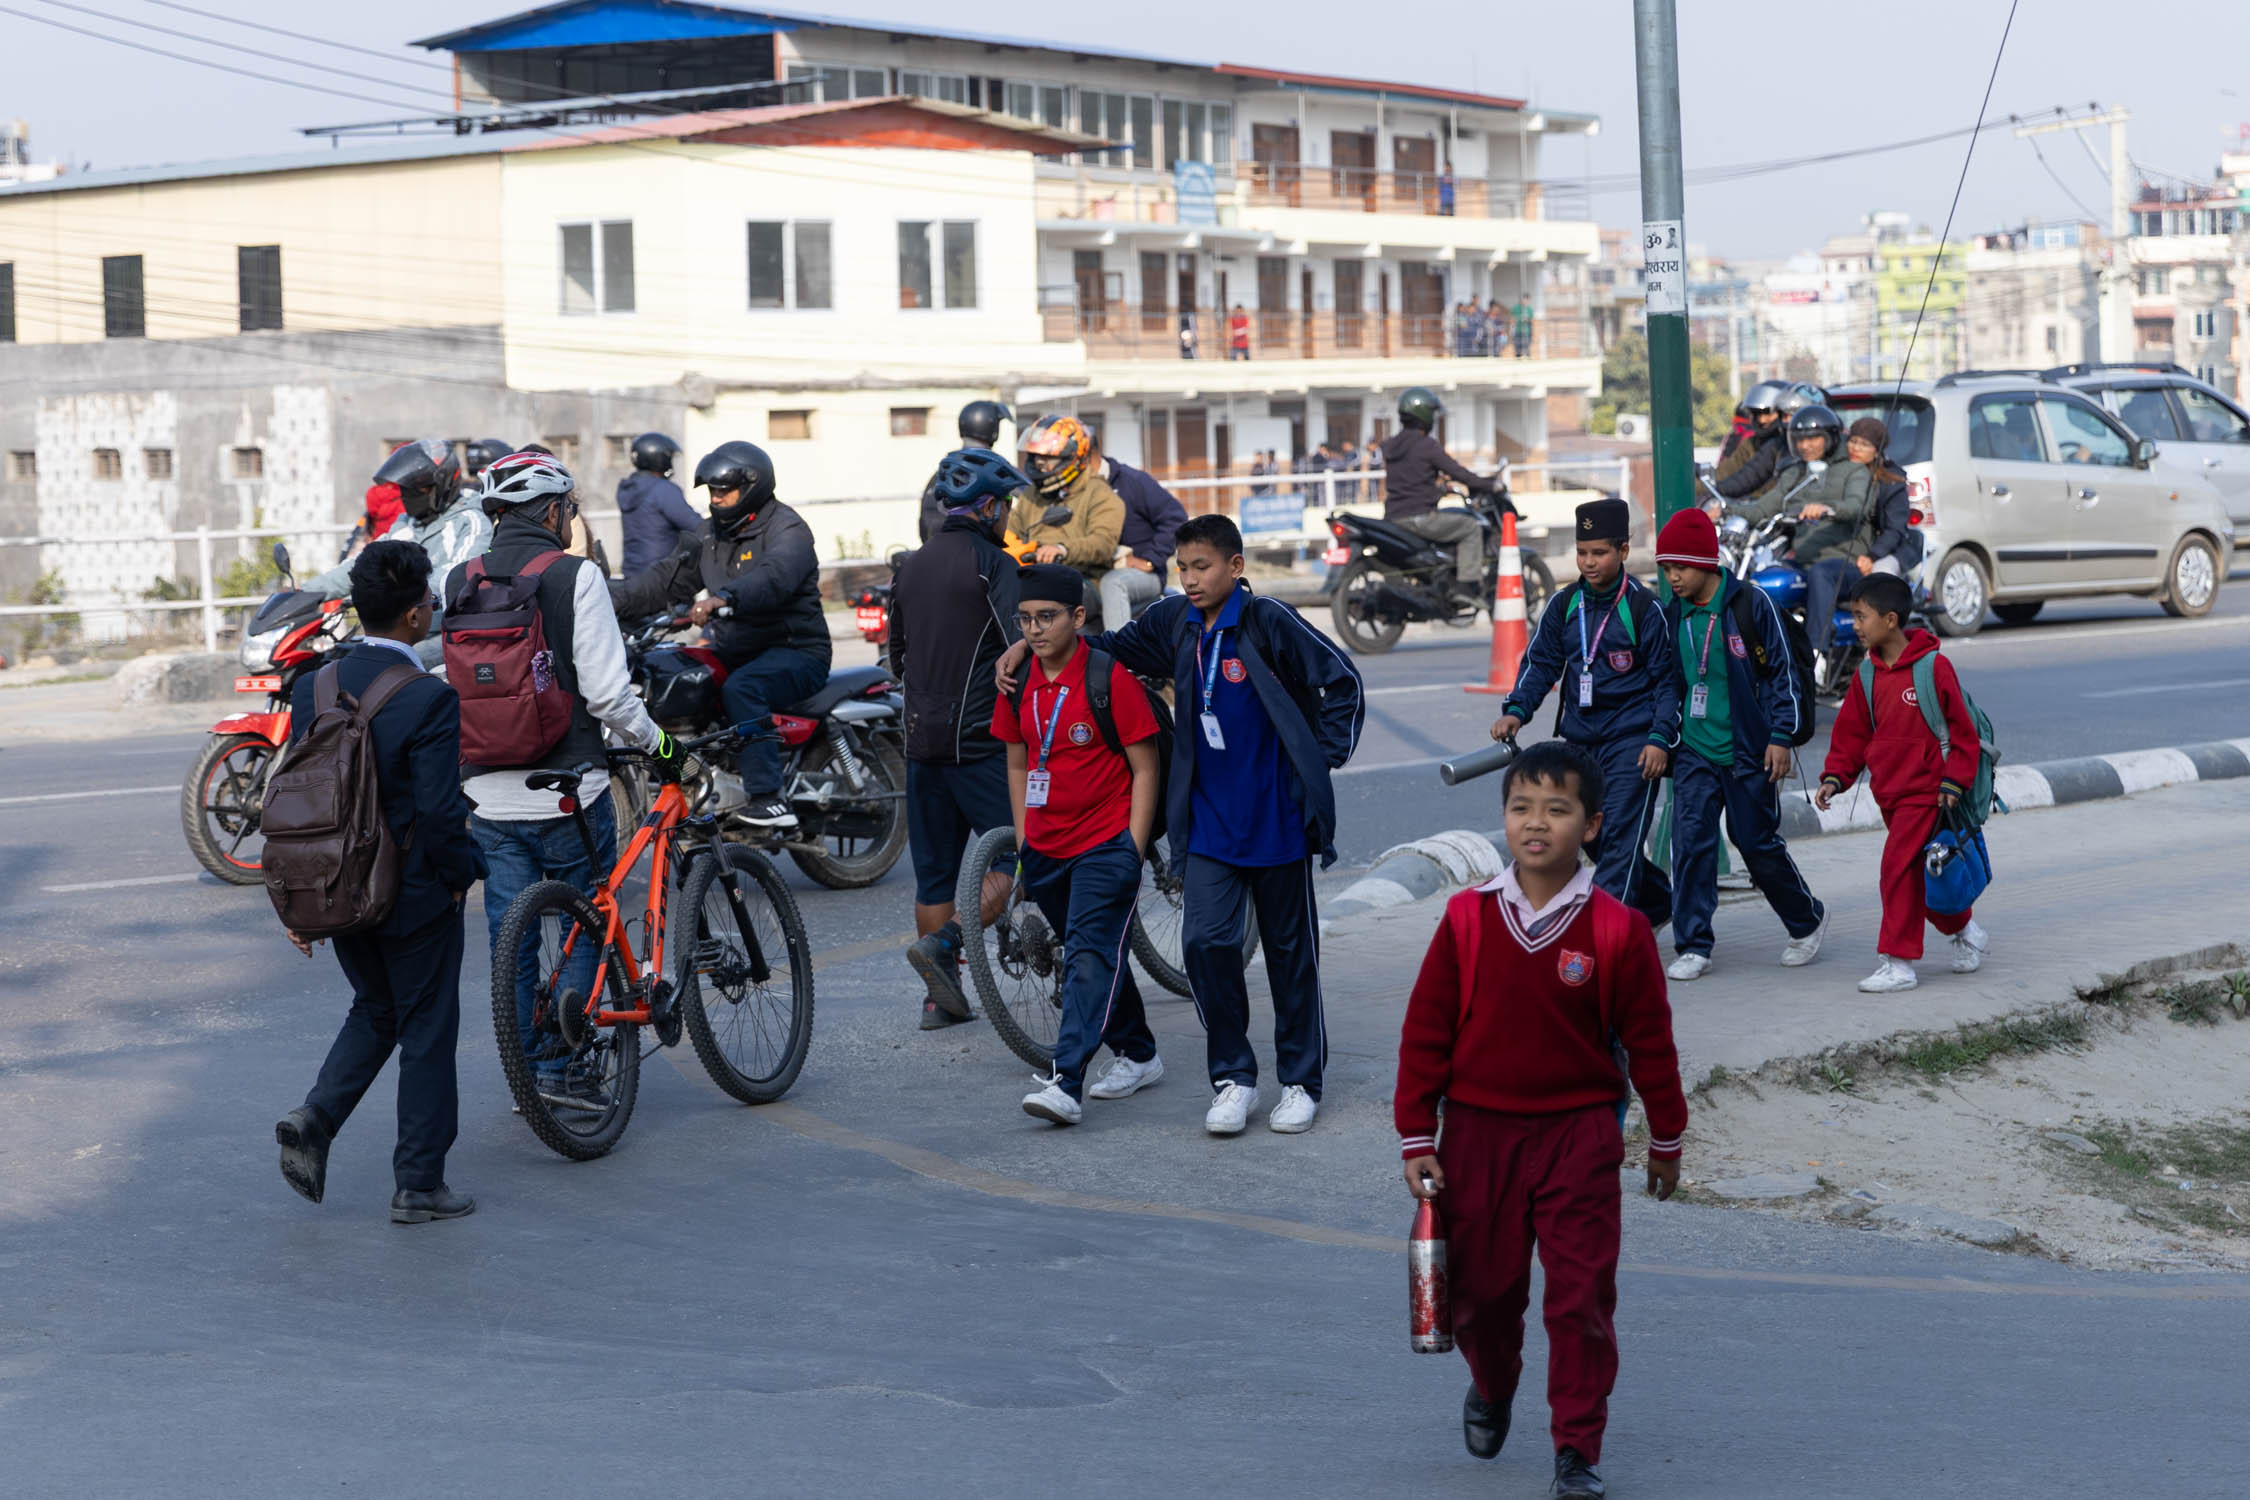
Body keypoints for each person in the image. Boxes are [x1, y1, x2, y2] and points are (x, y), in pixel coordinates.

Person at [1001, 514, 1366, 1135]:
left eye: (1203, 567)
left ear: (1235, 567)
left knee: (1290, 958)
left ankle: (1301, 1082)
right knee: (1204, 947)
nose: (1191, 580)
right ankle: (1234, 1078)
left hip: (1276, 821)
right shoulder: (1175, 621)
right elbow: (1103, 649)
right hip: (1208, 823)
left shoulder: (1268, 620)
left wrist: (1314, 760)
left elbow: (1345, 683)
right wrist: (1024, 644)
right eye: (1183, 568)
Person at [1395, 740, 1685, 1500]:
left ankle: (1576, 1452)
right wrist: (1416, 1134)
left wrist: (1666, 1137)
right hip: (1479, 1136)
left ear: (1592, 825)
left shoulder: (1617, 930)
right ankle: (1492, 1384)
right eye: (1521, 807)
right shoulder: (1466, 919)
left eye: (1557, 810)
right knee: (1484, 1297)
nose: (1535, 823)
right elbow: (1426, 1031)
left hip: (1579, 1136)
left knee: (1581, 1297)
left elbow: (1652, 1043)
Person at [449, 453, 682, 1108]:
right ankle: (571, 1067)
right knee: (587, 920)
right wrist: (661, 745)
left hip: (487, 795)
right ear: (553, 512)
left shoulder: (458, 581)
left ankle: (531, 1071)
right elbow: (609, 696)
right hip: (568, 790)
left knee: (512, 937)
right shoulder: (575, 577)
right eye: (570, 509)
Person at [274, 539, 489, 1225]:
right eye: (426, 598)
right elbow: (439, 812)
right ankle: (420, 1183)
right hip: (412, 890)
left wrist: (296, 902)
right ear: (415, 615)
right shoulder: (428, 697)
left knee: (376, 1007)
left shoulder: (316, 685)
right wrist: (462, 878)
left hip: (334, 883)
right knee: (426, 1028)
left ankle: (317, 1116)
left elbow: (300, 792)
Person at [996, 564, 1167, 1125]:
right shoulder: (1016, 680)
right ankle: (1140, 1054)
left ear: (1077, 617)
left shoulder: (1108, 678)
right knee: (1097, 954)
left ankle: (1065, 1080)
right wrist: (1025, 843)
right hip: (1045, 847)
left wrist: (1131, 847)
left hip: (1104, 843)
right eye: (1025, 620)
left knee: (1088, 954)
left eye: (1047, 617)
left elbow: (1146, 767)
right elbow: (1018, 761)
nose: (1036, 630)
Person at [611, 440, 830, 828]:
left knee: (742, 689)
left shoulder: (788, 529)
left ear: (752, 487)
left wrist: (725, 597)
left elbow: (775, 577)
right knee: (676, 677)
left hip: (796, 650)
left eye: (724, 491)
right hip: (735, 649)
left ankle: (768, 797)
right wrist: (603, 595)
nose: (716, 498)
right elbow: (664, 582)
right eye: (712, 491)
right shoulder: (709, 534)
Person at [1650, 508, 1827, 981]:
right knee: (1689, 844)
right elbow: (1671, 684)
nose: (1673, 578)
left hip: (1750, 750)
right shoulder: (1674, 616)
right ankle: (1693, 944)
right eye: (1666, 569)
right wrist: (1662, 735)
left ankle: (1806, 919)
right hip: (1696, 752)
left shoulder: (1751, 605)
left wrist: (1781, 736)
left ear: (1707, 562)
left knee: (1756, 844)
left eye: (1680, 568)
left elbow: (1784, 674)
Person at [1488, 497, 1675, 931]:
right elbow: (1541, 664)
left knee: (1622, 836)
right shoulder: (1564, 605)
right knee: (1591, 834)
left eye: (1600, 553)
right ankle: (1660, 901)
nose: (1589, 563)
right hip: (1579, 741)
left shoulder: (1643, 609)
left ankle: (1601, 937)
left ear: (1623, 551)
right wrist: (1517, 711)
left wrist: (1659, 739)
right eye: (1582, 553)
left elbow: (1668, 683)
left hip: (1634, 741)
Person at [893, 448, 1028, 1030]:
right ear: (991, 507)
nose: (1010, 519)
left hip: (920, 742)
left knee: (936, 874)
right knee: (1024, 856)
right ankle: (947, 943)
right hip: (979, 741)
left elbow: (897, 657)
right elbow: (1022, 645)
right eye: (1009, 508)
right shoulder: (993, 564)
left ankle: (937, 1002)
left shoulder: (911, 565)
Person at [1815, 573, 1990, 993]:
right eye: (1852, 616)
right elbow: (1853, 734)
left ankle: (1898, 962)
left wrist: (1953, 783)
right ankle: (1965, 930)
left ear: (1890, 620)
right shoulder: (1867, 676)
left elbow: (1963, 734)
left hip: (1930, 796)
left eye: (1861, 616)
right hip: (1890, 795)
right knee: (1924, 877)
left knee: (1896, 870)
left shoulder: (1934, 668)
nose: (1854, 625)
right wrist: (1835, 777)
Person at [305, 439, 491, 667]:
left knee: (383, 664)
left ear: (442, 484)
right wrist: (305, 592)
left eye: (417, 489)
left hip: (445, 631)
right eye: (405, 488)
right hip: (399, 629)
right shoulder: (407, 524)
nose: (408, 495)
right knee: (333, 662)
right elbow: (366, 563)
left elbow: (455, 575)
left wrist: (391, 595)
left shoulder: (471, 520)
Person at [1737, 403, 1872, 667]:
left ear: (1830, 437)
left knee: (1821, 573)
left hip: (1846, 562)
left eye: (1813, 438)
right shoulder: (1796, 472)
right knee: (1768, 578)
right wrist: (1725, 511)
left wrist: (1828, 508)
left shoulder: (1853, 471)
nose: (1805, 445)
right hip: (1804, 561)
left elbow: (1858, 505)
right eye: (1799, 439)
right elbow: (1767, 505)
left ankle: (1815, 654)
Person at [1379, 387, 1492, 598]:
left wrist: (1438, 488)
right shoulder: (1427, 446)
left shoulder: (1392, 446)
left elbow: (1410, 480)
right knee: (1471, 527)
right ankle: (1467, 589)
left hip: (1393, 517)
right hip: (1419, 518)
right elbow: (1459, 472)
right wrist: (1489, 484)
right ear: (1424, 416)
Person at [1012, 414, 1124, 600]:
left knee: (1047, 596)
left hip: (1083, 580)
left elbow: (1103, 543)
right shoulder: (1032, 494)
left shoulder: (1100, 493)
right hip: (1032, 574)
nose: (1039, 463)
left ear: (1073, 457)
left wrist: (1062, 549)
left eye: (1048, 457)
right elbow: (1010, 531)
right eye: (1036, 455)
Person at [1096, 431, 1187, 630]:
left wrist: (1150, 559)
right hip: (1094, 574)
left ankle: (1120, 655)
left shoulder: (1132, 481)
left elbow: (1176, 517)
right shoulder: (1067, 492)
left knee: (1113, 584)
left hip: (1142, 576)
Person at [920, 400, 1014, 543]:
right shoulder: (985, 468)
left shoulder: (945, 469)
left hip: (937, 548)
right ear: (992, 429)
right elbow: (1024, 490)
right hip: (968, 548)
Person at [1712, 382, 1822, 501]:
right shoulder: (1777, 446)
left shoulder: (1835, 448)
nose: (1805, 446)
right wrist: (1714, 490)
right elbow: (1747, 478)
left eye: (1767, 413)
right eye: (1784, 415)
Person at [1847, 417, 1922, 582]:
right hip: (1852, 546)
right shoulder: (1841, 472)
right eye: (1853, 441)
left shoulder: (1892, 482)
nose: (1856, 448)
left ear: (1876, 451)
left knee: (1880, 576)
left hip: (1888, 549)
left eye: (1865, 444)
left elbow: (1894, 530)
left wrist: (1872, 557)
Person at [616, 431, 700, 578]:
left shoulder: (627, 488)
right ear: (660, 459)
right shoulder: (663, 490)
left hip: (632, 573)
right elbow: (695, 525)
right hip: (662, 577)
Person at [1713, 381, 1787, 486]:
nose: (1762, 420)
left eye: (1768, 413)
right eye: (1757, 414)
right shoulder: (1751, 443)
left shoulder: (1790, 446)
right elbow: (1724, 472)